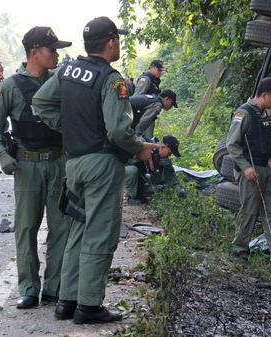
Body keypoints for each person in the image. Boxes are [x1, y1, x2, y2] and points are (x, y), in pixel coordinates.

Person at [32, 16, 161, 324]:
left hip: (74, 163)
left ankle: (68, 300)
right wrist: (140, 147)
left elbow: (40, 102)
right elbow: (118, 131)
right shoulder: (111, 78)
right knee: (100, 234)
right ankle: (89, 306)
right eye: (119, 40)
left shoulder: (67, 70)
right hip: (102, 164)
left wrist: (73, 129)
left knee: (77, 230)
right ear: (111, 42)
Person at [0, 26, 72, 309]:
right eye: (52, 49)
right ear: (35, 52)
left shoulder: (61, 83)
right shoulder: (9, 86)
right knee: (26, 228)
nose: (57, 55)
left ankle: (54, 288)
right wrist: (3, 156)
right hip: (27, 165)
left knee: (61, 228)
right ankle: (29, 288)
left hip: (58, 164)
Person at [226, 77, 271, 267]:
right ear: (264, 95)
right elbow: (231, 145)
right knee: (249, 212)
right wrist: (246, 167)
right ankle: (239, 251)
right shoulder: (244, 113)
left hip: (265, 168)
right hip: (250, 170)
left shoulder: (263, 114)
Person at [125, 135, 184, 202]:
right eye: (169, 153)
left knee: (160, 185)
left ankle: (142, 190)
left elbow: (170, 175)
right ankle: (132, 197)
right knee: (132, 170)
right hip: (123, 169)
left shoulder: (163, 159)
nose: (169, 155)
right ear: (163, 146)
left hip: (140, 178)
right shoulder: (143, 143)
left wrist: (178, 188)